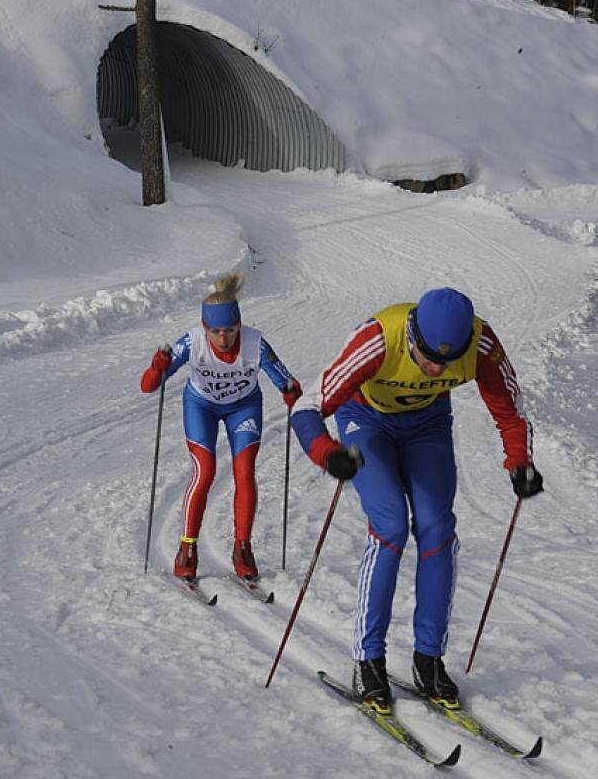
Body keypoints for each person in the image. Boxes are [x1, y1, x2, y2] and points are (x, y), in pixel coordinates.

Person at [290, 287, 543, 712]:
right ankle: (368, 660)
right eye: (428, 357)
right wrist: (327, 453)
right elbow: (306, 407)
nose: (435, 367)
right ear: (412, 335)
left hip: (427, 425)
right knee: (389, 526)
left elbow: (510, 410)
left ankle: (429, 658)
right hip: (365, 419)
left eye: (446, 361)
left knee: (437, 528)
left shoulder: (480, 343)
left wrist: (520, 460)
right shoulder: (378, 339)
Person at [140, 272, 303, 582]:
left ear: (239, 326)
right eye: (216, 331)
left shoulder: (256, 343)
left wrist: (290, 390)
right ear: (205, 328)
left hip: (243, 406)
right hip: (201, 405)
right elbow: (149, 386)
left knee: (244, 471)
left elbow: (287, 382)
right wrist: (157, 367)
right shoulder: (192, 341)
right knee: (205, 470)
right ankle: (187, 548)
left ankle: (242, 547)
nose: (223, 338)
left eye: (230, 330)